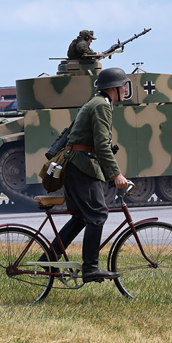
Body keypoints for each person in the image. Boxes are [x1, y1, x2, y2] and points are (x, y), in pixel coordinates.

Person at [54, 67, 130, 282]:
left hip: (76, 165)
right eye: (123, 85)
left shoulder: (98, 103)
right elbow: (102, 145)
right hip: (82, 166)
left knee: (80, 217)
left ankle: (48, 257)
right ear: (113, 88)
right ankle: (90, 268)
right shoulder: (101, 106)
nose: (125, 88)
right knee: (97, 215)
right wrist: (115, 174)